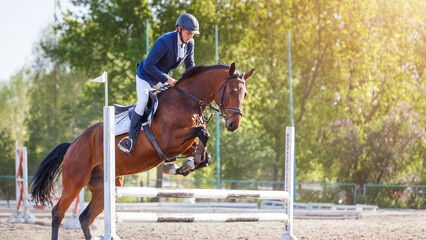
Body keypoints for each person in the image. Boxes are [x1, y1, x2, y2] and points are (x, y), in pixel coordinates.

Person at [118, 13, 200, 156]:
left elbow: (190, 65)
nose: (190, 37)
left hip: (161, 79)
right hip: (146, 76)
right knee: (143, 101)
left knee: (171, 103)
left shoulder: (190, 43)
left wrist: (192, 84)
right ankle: (130, 140)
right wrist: (167, 80)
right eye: (188, 33)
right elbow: (149, 64)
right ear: (179, 29)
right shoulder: (165, 41)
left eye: (193, 34)